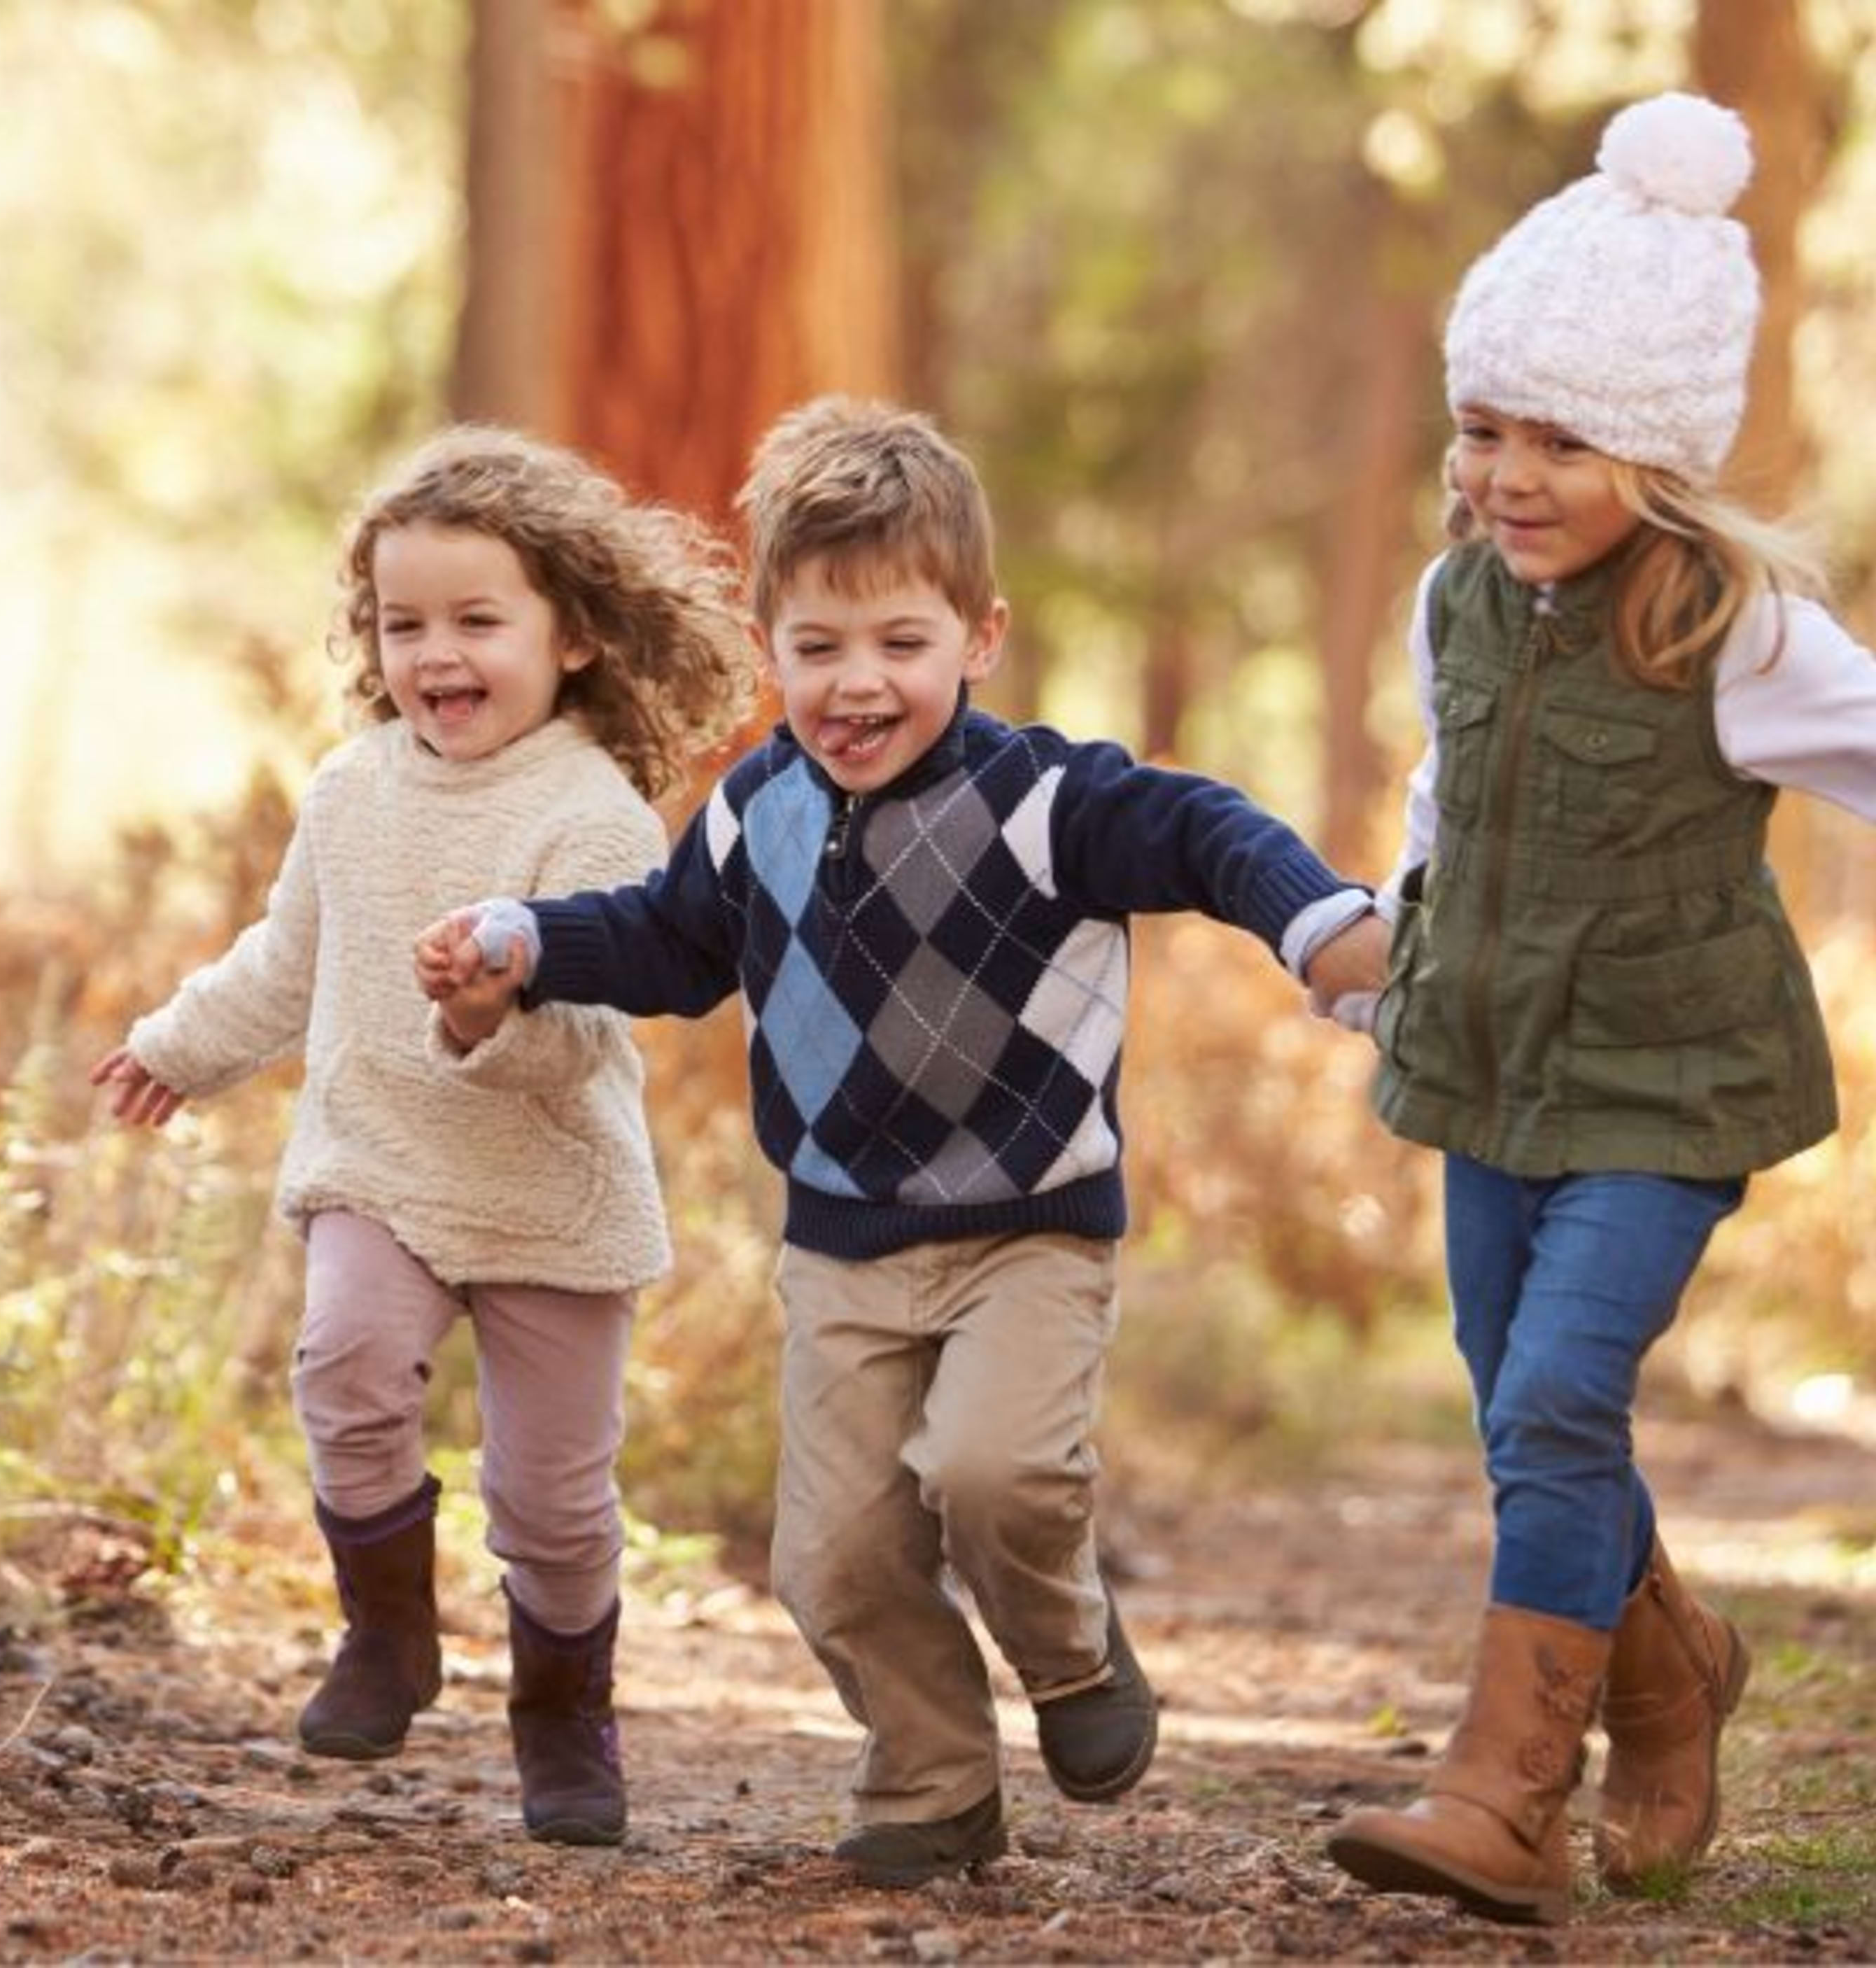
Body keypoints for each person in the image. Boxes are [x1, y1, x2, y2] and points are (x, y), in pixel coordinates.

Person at [414, 397, 1390, 1887]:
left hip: (1028, 1220)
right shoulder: (757, 813)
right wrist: (525, 939)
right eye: (817, 648)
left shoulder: (1047, 802)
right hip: (844, 1239)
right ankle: (932, 1775)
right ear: (771, 648)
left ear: (979, 636)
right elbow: (672, 945)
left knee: (999, 1474)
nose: (856, 684)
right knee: (837, 1555)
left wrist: (1318, 920)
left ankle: (1068, 1652)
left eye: (899, 643)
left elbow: (1204, 830)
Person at [1324, 93, 1876, 1927]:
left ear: (1663, 457)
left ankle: (1503, 1796)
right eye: (1485, 430)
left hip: (1671, 1075)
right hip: (1491, 1067)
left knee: (1559, 1386)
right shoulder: (1453, 600)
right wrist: (1393, 947)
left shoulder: (1736, 630)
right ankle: (1668, 1666)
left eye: (1566, 439)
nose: (1511, 473)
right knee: (1517, 1404)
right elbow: (1445, 804)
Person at [94, 427, 755, 1846]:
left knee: (555, 1504)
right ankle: (388, 1631)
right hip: (380, 1160)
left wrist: (483, 1015)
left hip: (550, 1191)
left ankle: (565, 1713)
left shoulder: (595, 815)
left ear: (572, 632)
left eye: (476, 621)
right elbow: (284, 961)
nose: (435, 655)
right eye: (404, 625)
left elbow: (586, 1039)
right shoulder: (353, 789)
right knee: (341, 1361)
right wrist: (174, 1047)